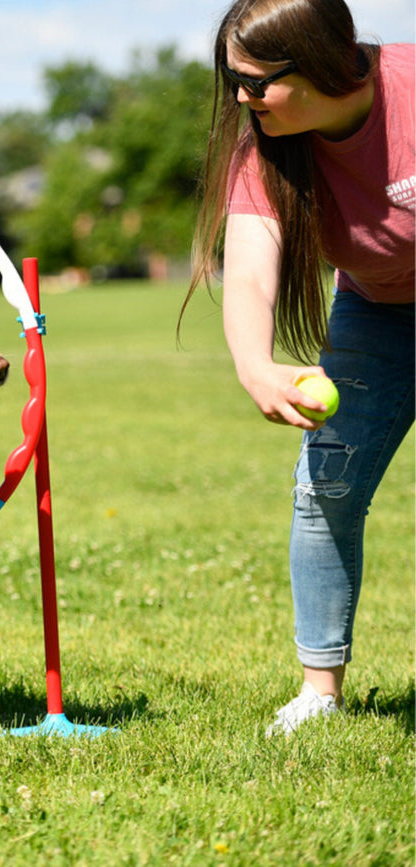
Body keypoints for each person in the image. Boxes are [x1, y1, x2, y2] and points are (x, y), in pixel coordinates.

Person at [185, 0, 414, 736]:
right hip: (378, 310)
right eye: (231, 83)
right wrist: (255, 364)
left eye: (253, 82)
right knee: (327, 485)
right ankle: (320, 690)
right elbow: (250, 273)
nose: (240, 101)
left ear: (315, 62)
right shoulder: (267, 151)